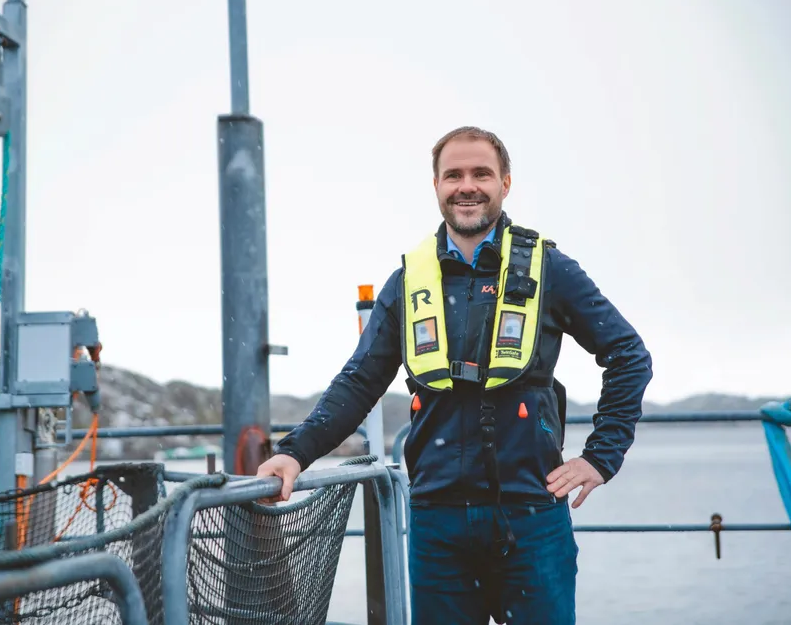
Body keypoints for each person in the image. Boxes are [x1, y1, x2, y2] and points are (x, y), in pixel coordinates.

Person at [256, 126, 653, 624]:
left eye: (481, 174)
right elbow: (360, 380)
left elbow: (629, 355)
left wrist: (600, 457)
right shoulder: (408, 281)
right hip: (437, 523)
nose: (467, 186)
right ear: (436, 186)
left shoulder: (550, 269)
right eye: (454, 175)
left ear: (505, 183)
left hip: (531, 516)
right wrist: (295, 452)